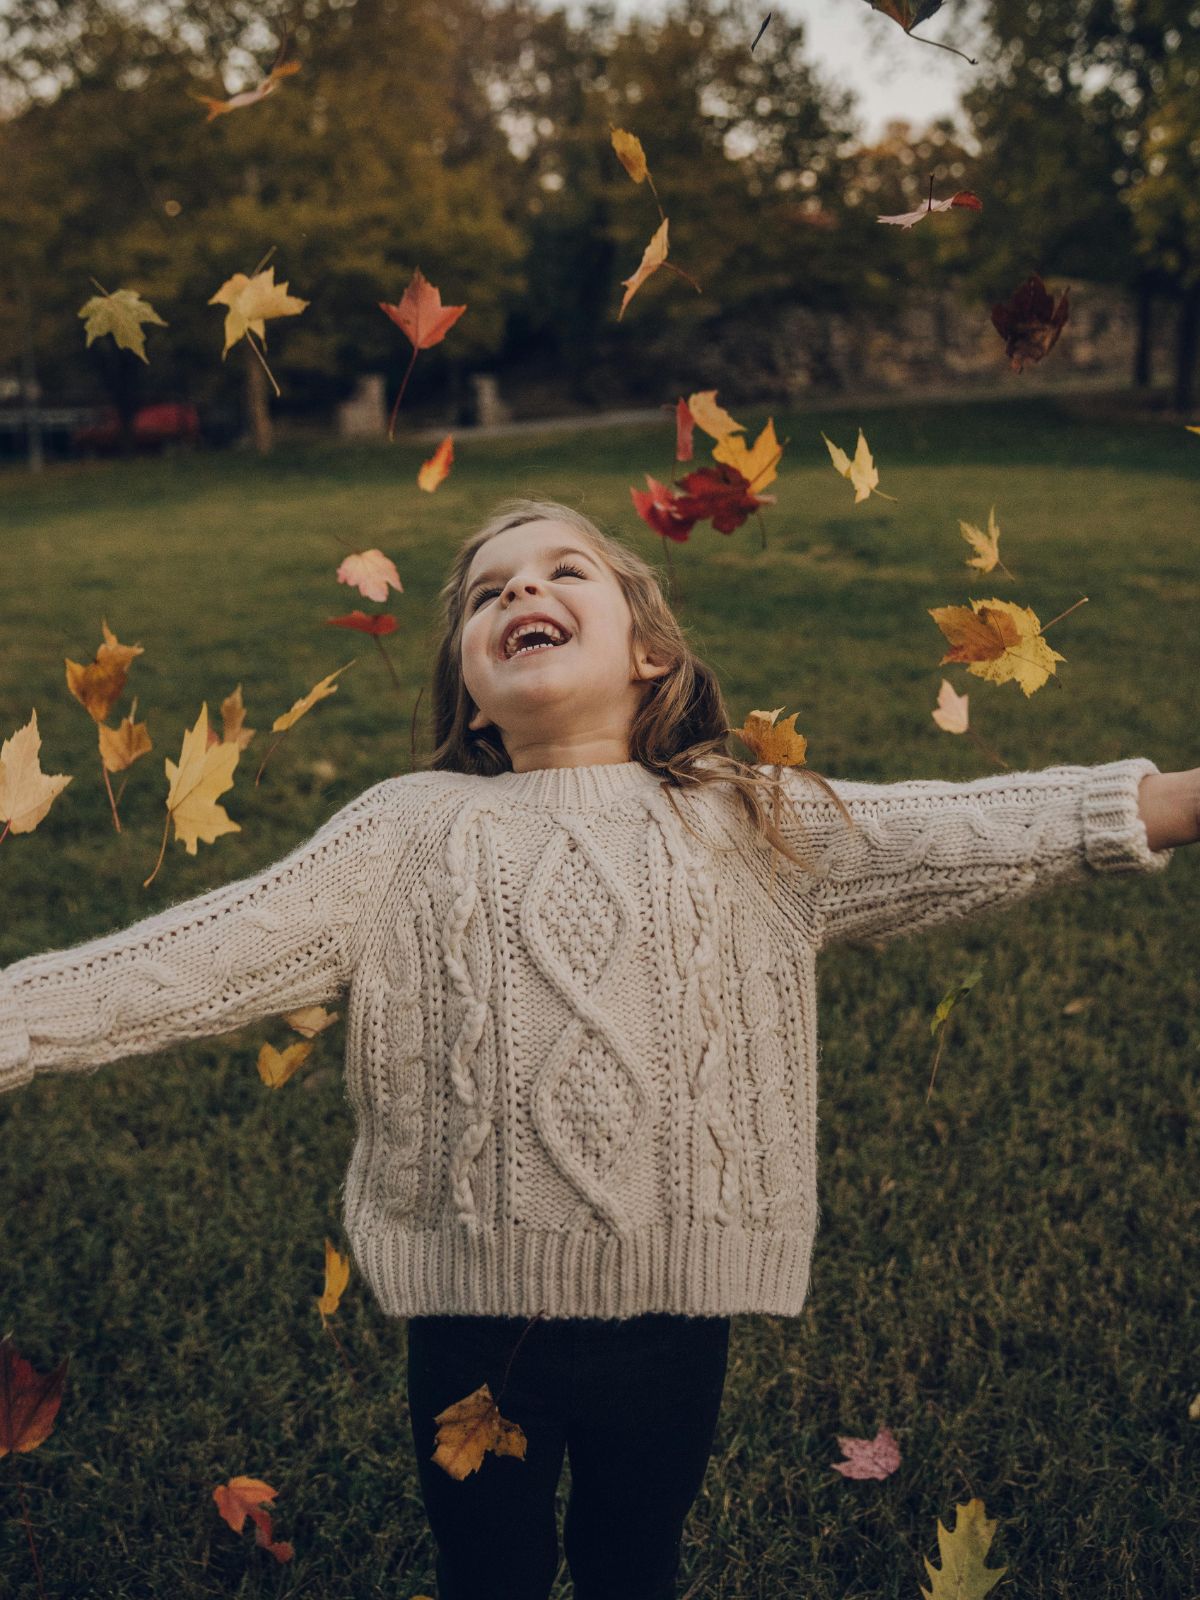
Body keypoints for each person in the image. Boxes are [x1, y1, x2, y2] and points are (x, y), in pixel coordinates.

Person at [0, 496, 1195, 1600]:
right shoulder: (407, 830)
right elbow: (194, 956)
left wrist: (1170, 802)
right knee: (487, 1561)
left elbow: (965, 832)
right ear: (469, 692)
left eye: (563, 569)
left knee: (636, 1550)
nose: (522, 592)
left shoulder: (742, 815)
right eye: (486, 592)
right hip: (469, 1315)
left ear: (649, 655)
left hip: (676, 1311)